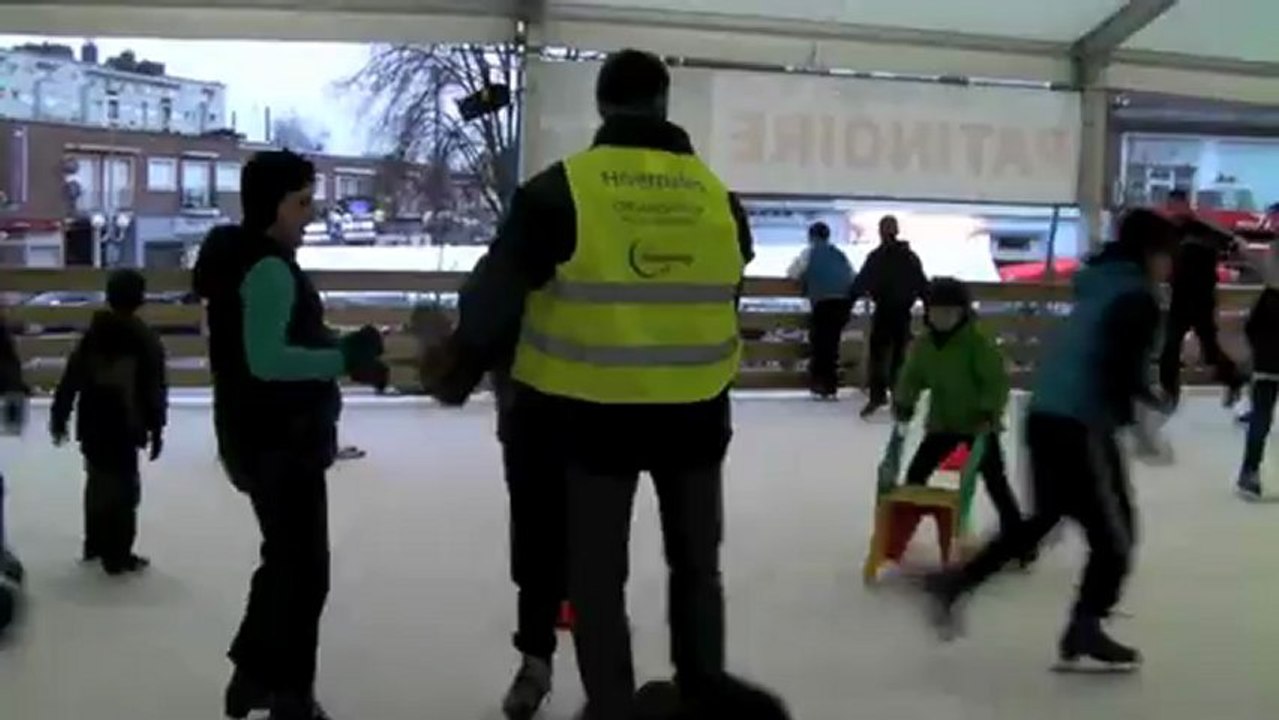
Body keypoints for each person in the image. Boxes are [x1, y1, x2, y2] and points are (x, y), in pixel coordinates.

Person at [422, 49, 754, 720]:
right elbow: (725, 287)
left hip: (593, 420)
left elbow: (491, 300)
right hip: (695, 417)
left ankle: (611, 707)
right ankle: (700, 698)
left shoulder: (559, 190)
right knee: (697, 571)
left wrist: (453, 369)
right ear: (664, 104)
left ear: (602, 106)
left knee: (597, 580)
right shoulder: (718, 198)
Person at [921, 208, 1178, 673]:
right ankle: (1086, 624)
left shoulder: (1101, 284)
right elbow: (1118, 366)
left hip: (1046, 414)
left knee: (1048, 516)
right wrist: (1144, 420)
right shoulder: (1134, 297)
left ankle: (959, 582)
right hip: (1079, 422)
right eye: (1167, 255)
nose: (1170, 265)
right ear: (1150, 253)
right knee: (1115, 534)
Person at [192, 150, 388, 720]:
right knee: (305, 575)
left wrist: (346, 350)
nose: (310, 212)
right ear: (271, 205)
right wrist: (341, 360)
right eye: (301, 202)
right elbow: (268, 358)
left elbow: (287, 335)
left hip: (254, 435)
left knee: (285, 562)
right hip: (281, 439)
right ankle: (288, 695)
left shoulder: (249, 261)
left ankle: (254, 676)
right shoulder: (270, 267)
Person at [49, 269, 167, 576]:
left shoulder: (93, 336)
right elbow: (154, 389)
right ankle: (118, 554)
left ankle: (95, 543)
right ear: (140, 299)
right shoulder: (144, 339)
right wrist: (157, 429)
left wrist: (59, 416)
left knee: (98, 480)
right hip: (127, 424)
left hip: (93, 422)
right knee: (125, 489)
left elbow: (70, 378)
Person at [893, 277, 1025, 546]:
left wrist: (989, 412)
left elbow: (995, 380)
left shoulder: (977, 343)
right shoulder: (925, 345)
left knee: (995, 482)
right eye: (936, 311)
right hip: (942, 425)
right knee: (916, 476)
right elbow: (912, 377)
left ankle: (1018, 538)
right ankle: (902, 534)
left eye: (949, 312)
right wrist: (904, 401)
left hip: (978, 426)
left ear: (963, 312)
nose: (942, 318)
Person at [1158, 188, 1245, 406]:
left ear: (1186, 205)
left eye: (1178, 204)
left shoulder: (1203, 230)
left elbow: (1232, 245)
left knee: (1209, 347)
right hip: (1180, 296)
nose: (1175, 210)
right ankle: (1169, 390)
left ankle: (1233, 380)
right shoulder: (1167, 233)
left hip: (1202, 297)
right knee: (1171, 345)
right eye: (1172, 205)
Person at [850, 215, 927, 418]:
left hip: (884, 310)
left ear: (881, 232)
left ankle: (878, 396)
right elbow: (922, 285)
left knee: (879, 356)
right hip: (902, 312)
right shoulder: (910, 257)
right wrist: (929, 307)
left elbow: (860, 283)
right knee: (899, 357)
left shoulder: (877, 257)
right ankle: (898, 398)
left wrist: (850, 299)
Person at [787, 221, 854, 398]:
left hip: (823, 302)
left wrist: (805, 283)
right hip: (843, 303)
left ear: (811, 236)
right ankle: (830, 386)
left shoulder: (810, 253)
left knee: (820, 344)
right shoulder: (839, 254)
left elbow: (792, 273)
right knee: (832, 344)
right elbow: (851, 276)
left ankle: (820, 385)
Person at [1237, 253, 1279, 500]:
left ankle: (1249, 471)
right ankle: (1249, 471)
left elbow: (1251, 328)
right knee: (1260, 419)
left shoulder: (1268, 297)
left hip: (1266, 365)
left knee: (1260, 419)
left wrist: (1258, 353)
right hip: (1268, 365)